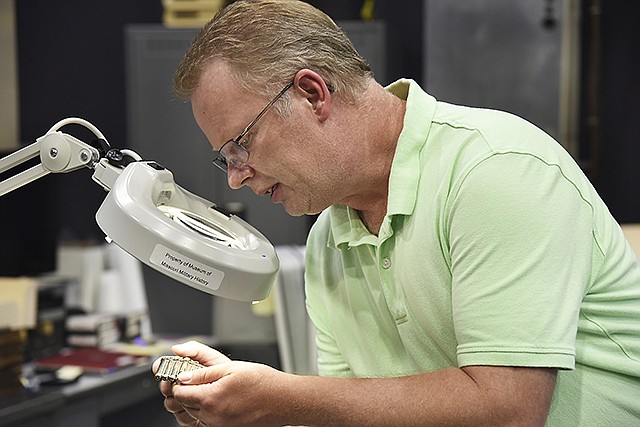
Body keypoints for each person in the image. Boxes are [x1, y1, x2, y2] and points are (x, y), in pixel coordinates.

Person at [153, 0, 640, 425]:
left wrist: (283, 398)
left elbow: (508, 412)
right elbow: (354, 414)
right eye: (227, 159)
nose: (236, 177)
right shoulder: (329, 239)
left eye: (242, 145)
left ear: (312, 93)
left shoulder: (495, 171)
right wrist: (256, 417)